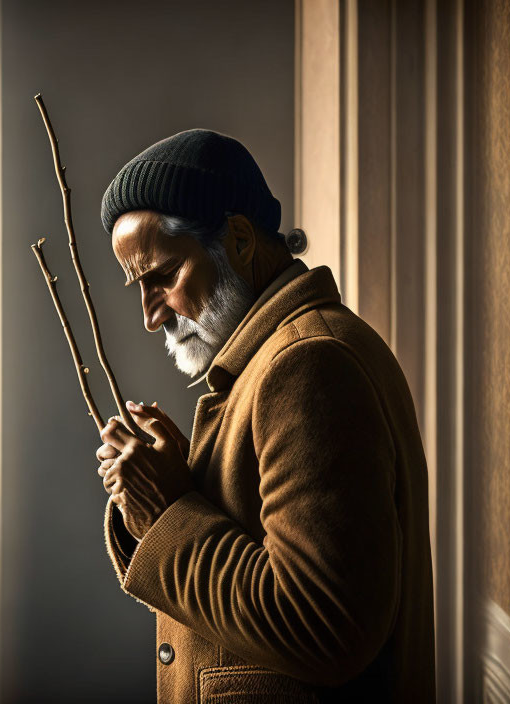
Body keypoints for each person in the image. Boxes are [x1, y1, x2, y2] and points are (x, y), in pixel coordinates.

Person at [95, 129, 435, 702]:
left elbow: (323, 628)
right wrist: (168, 493)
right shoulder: (282, 357)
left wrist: (170, 511)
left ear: (240, 240)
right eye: (139, 286)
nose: (152, 316)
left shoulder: (308, 366)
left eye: (163, 276)